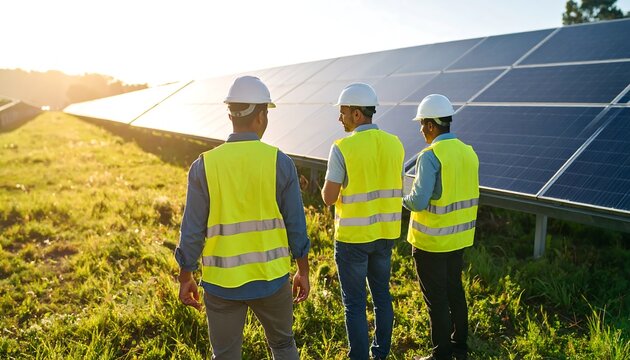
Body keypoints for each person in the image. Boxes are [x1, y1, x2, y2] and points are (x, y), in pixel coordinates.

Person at [175, 75, 311, 360]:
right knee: (284, 346)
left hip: (221, 285)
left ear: (229, 115)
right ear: (261, 117)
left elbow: (192, 230)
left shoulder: (204, 165)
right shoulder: (280, 162)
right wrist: (303, 270)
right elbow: (296, 226)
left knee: (225, 355)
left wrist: (186, 274)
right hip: (272, 280)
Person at [321, 83, 405, 360]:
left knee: (355, 304)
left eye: (343, 112)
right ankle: (380, 354)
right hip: (385, 234)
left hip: (353, 240)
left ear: (357, 114)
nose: (339, 118)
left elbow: (329, 197)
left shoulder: (343, 147)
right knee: (382, 297)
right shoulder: (396, 144)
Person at [403, 94, 479, 360]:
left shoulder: (430, 156)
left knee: (436, 301)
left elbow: (419, 201)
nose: (421, 130)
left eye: (422, 124)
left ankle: (441, 355)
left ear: (431, 125)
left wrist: (402, 196)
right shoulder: (468, 153)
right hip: (459, 238)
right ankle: (459, 348)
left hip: (431, 243)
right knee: (455, 292)